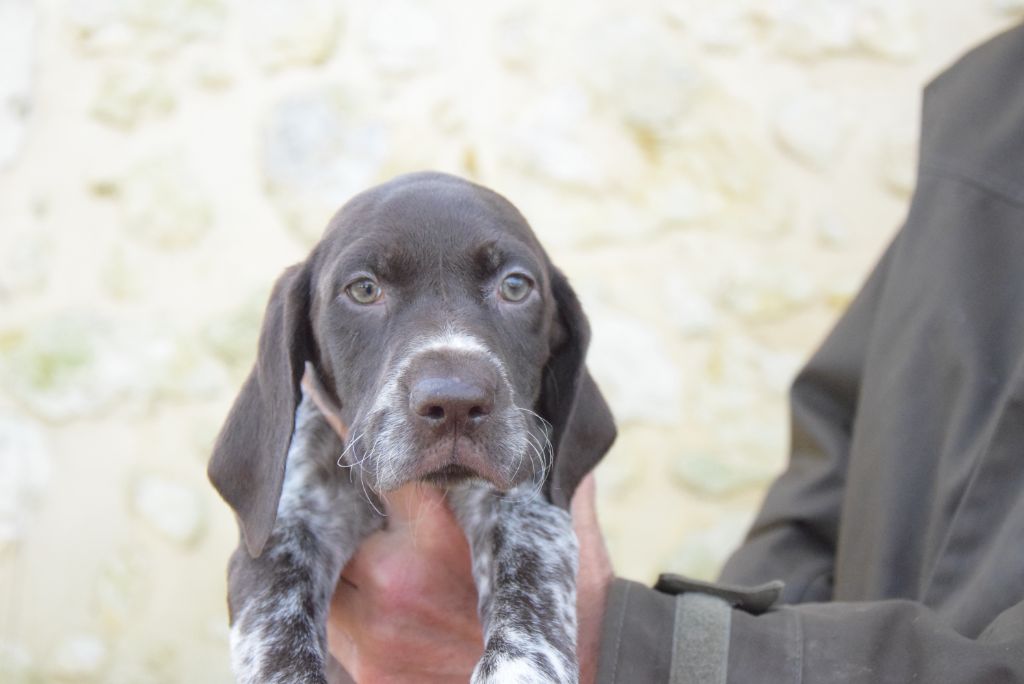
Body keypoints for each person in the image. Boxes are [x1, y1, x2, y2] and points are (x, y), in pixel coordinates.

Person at [326, 24, 1024, 683]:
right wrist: (697, 648)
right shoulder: (994, 110)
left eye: (511, 286)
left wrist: (619, 646)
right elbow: (832, 456)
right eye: (365, 289)